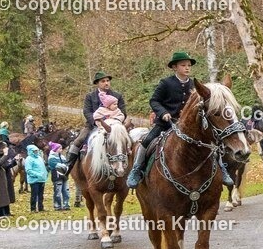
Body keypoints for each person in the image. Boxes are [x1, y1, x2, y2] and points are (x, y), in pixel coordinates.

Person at [127, 51, 232, 188]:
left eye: (189, 65)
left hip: (189, 125)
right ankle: (136, 169)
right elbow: (154, 101)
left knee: (211, 142)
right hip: (166, 123)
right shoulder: (165, 83)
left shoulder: (195, 85)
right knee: (147, 141)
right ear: (175, 67)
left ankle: (222, 169)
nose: (187, 68)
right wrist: (163, 112)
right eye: (183, 65)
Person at [64, 71, 127, 173]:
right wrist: (96, 122)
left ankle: (134, 169)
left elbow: (123, 111)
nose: (106, 83)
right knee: (78, 140)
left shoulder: (117, 96)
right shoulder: (90, 96)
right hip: (93, 125)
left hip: (114, 126)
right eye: (103, 81)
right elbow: (87, 111)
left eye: (107, 81)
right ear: (97, 83)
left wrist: (113, 122)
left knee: (129, 140)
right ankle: (67, 166)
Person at [23, 144, 48, 212]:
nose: (36, 152)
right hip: (34, 180)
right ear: (31, 151)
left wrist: (45, 174)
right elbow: (28, 170)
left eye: (37, 150)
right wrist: (38, 175)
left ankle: (41, 207)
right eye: (35, 151)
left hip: (42, 179)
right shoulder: (29, 159)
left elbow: (43, 167)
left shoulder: (39, 158)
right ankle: (33, 208)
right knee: (34, 195)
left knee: (41, 195)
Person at [47, 142, 70, 210]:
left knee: (66, 191)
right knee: (58, 192)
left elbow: (66, 165)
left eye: (61, 148)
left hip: (65, 176)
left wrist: (66, 167)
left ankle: (66, 205)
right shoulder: (51, 157)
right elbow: (58, 166)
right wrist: (65, 166)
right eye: (60, 148)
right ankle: (57, 206)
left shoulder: (62, 156)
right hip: (57, 177)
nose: (61, 149)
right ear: (56, 149)